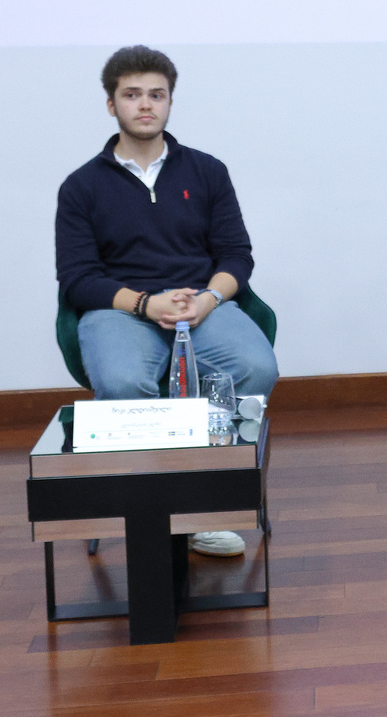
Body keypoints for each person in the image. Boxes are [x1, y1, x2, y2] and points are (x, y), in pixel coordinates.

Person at [55, 45, 278, 557]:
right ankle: (149, 515)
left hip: (199, 305)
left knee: (255, 368)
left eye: (156, 95)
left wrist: (209, 300)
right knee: (122, 383)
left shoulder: (207, 171)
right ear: (112, 104)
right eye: (132, 94)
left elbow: (236, 255)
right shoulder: (81, 186)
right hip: (122, 310)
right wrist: (145, 304)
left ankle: (202, 507)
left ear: (170, 102)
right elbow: (78, 279)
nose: (145, 104)